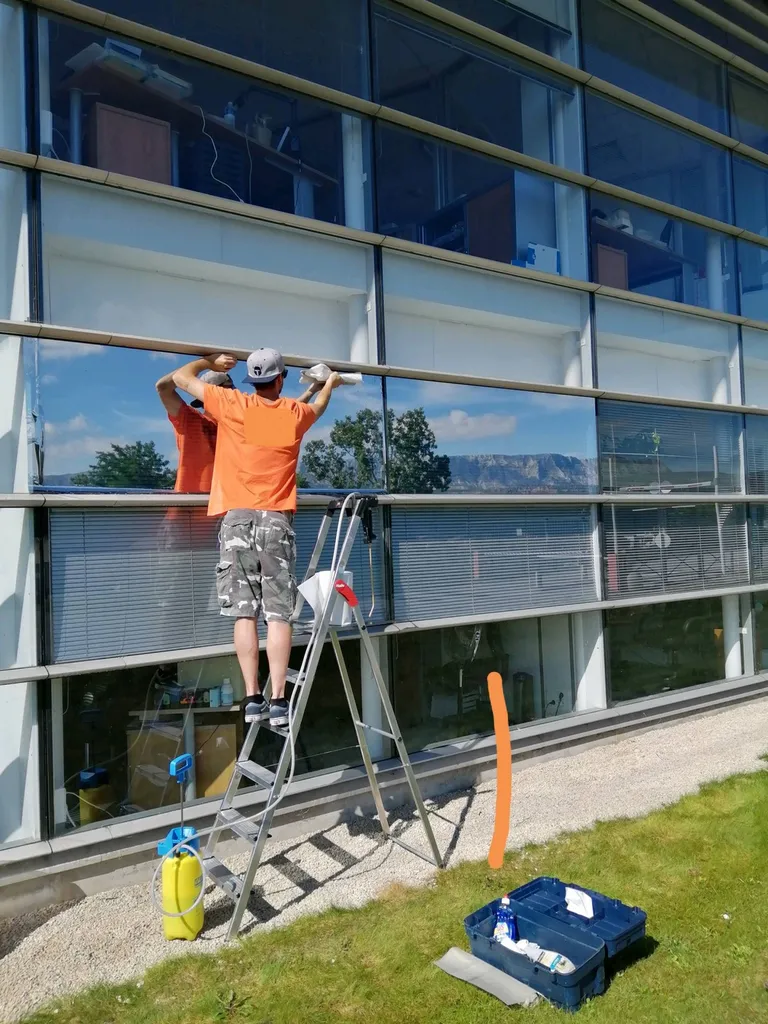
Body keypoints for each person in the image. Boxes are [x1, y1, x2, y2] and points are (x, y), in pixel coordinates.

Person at [172, 348, 342, 727]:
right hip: (276, 522)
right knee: (278, 615)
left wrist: (208, 364)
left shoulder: (233, 404)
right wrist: (326, 383)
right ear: (280, 380)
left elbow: (181, 378)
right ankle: (279, 701)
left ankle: (252, 698)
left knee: (243, 613)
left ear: (252, 381)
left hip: (236, 522)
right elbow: (313, 407)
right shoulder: (292, 416)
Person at [155, 358, 318, 492]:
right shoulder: (190, 420)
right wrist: (208, 362)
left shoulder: (243, 423)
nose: (235, 394)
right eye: (230, 390)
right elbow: (162, 387)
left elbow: (289, 416)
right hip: (187, 512)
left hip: (224, 515)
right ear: (218, 392)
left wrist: (312, 390)